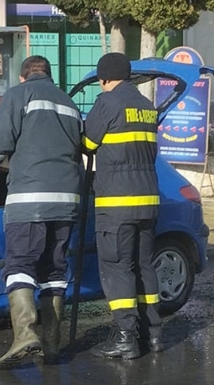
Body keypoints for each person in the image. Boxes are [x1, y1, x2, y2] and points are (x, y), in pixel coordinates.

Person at [0, 55, 84, 367]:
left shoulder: (19, 95)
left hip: (30, 198)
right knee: (55, 270)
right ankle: (53, 344)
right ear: (50, 75)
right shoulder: (69, 103)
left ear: (24, 76)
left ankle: (26, 334)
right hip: (67, 201)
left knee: (19, 264)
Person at [81, 52, 163, 360]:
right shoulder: (147, 106)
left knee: (117, 269)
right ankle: (153, 335)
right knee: (144, 267)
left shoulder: (107, 103)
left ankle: (126, 337)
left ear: (104, 79)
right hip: (148, 201)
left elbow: (88, 144)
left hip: (117, 204)